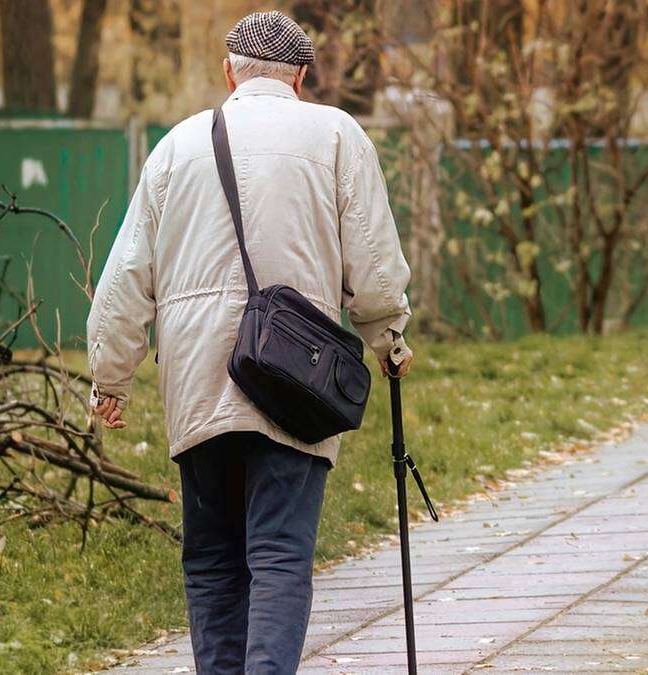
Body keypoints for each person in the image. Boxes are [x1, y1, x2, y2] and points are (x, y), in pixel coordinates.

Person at [85, 10, 412, 673]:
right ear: (300, 75)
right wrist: (388, 338)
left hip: (199, 380)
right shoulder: (338, 136)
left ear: (229, 71)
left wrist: (110, 376)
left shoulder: (176, 145)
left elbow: (127, 276)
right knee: (281, 555)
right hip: (295, 377)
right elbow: (373, 264)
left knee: (211, 560)